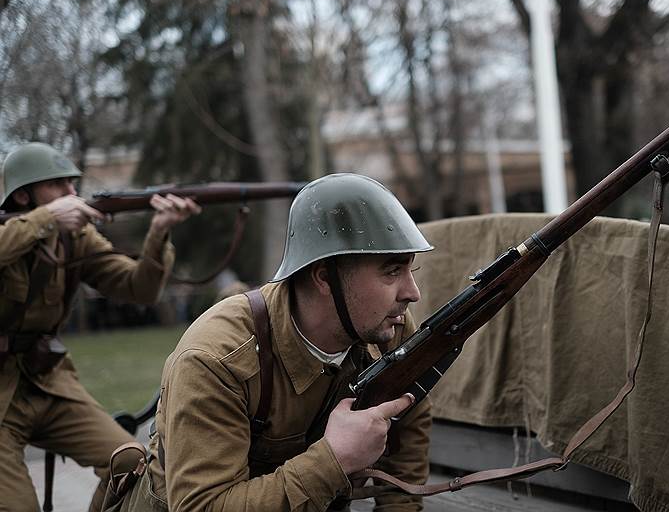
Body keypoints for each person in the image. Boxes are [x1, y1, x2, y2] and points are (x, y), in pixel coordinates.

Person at [115, 173, 434, 511]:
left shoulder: (385, 325)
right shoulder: (216, 359)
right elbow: (203, 506)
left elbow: (408, 428)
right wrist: (333, 461)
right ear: (325, 278)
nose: (412, 293)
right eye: (391, 271)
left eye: (411, 270)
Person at [0, 142, 200, 511]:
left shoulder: (73, 237)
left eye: (72, 184)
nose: (71, 194)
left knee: (132, 461)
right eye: (58, 185)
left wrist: (158, 233)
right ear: (24, 194)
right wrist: (45, 220)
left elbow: (139, 287)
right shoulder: (23, 230)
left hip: (49, 383)